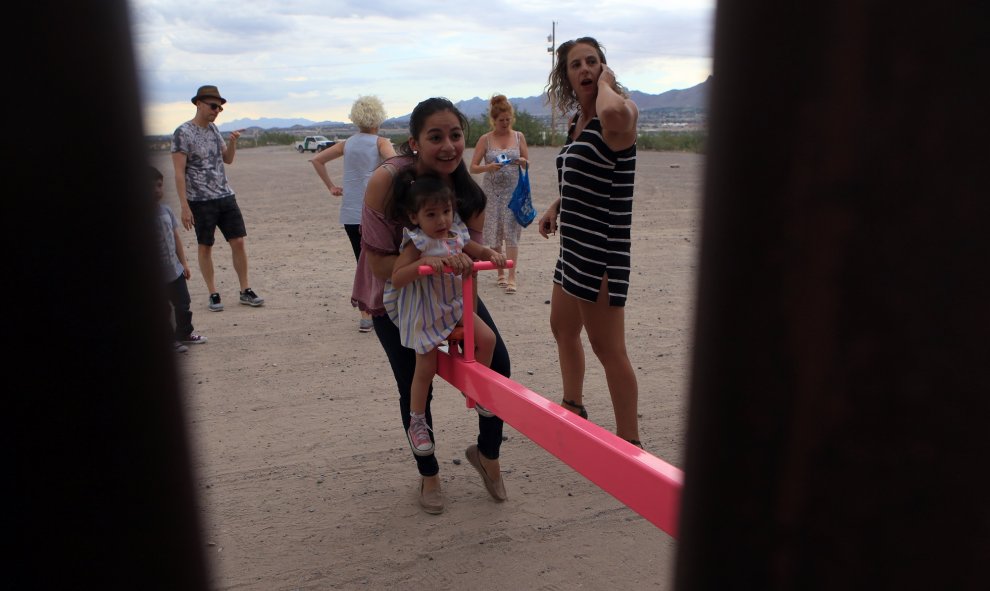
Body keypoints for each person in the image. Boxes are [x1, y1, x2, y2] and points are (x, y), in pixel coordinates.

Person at [352, 97, 512, 514]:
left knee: (497, 361)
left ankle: (488, 455)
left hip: (447, 292)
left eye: (455, 135)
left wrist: (476, 259)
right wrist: (428, 262)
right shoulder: (387, 182)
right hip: (402, 298)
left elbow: (469, 251)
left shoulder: (468, 192)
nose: (448, 146)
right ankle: (429, 476)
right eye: (435, 136)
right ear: (414, 143)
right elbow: (380, 265)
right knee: (413, 380)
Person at [537, 37, 643, 448]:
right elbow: (585, 173)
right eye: (575, 65)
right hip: (573, 249)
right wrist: (556, 205)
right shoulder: (578, 123)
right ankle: (573, 407)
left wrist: (607, 84)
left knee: (608, 347)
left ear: (604, 67)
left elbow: (613, 109)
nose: (584, 69)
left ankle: (630, 445)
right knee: (562, 328)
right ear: (565, 75)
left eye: (592, 62)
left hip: (601, 252)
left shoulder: (618, 114)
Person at [383, 173, 506, 457]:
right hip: (427, 312)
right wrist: (423, 263)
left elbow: (474, 249)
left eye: (446, 211)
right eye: (431, 214)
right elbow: (397, 277)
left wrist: (491, 253)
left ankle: (475, 387)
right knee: (424, 368)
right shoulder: (418, 243)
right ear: (415, 217)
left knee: (487, 339)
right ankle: (417, 420)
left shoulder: (456, 233)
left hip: (454, 306)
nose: (441, 221)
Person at [171, 84, 265, 312]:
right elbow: (178, 173)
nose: (216, 111)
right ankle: (213, 293)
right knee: (205, 246)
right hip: (200, 200)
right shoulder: (183, 132)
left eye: (220, 108)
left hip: (225, 195)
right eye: (213, 106)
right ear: (199, 104)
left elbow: (228, 160)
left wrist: (232, 142)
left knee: (239, 241)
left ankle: (245, 290)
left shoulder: (214, 130)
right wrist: (184, 206)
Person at [310, 95, 396, 333]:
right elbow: (395, 163)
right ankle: (383, 308)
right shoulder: (380, 142)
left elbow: (317, 160)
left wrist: (331, 186)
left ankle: (365, 314)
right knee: (380, 260)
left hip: (350, 212)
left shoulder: (347, 143)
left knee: (361, 260)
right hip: (375, 212)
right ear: (378, 116)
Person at [469, 95, 529, 294]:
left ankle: (512, 276)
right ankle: (500, 273)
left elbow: (527, 162)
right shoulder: (485, 140)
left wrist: (522, 161)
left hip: (513, 193)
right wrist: (489, 167)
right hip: (492, 193)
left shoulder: (519, 136)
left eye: (508, 120)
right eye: (501, 120)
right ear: (493, 120)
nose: (505, 123)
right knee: (495, 233)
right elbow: (473, 167)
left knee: (511, 234)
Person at [151, 165, 206, 353]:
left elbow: (175, 238)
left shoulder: (166, 210)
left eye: (159, 185)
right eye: (151, 186)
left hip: (174, 270)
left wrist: (184, 263)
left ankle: (184, 333)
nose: (157, 190)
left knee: (183, 303)